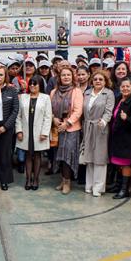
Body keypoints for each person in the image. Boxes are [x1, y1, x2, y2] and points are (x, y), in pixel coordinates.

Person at [80, 70, 115, 197]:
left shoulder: (108, 93)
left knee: (99, 157)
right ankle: (88, 185)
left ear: (105, 81)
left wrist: (104, 121)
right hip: (87, 126)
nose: (98, 81)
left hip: (101, 127)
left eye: (101, 79)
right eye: (95, 79)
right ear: (92, 81)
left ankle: (98, 187)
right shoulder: (87, 92)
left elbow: (109, 110)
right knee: (89, 156)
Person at [109, 77, 131, 199]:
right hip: (117, 138)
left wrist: (127, 118)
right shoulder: (119, 99)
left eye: (127, 86)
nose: (125, 88)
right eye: (123, 86)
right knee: (118, 164)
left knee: (126, 165)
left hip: (128, 140)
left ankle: (124, 189)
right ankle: (118, 185)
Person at [15, 75, 52, 191]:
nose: (32, 86)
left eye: (34, 84)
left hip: (39, 132)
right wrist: (19, 130)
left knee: (37, 155)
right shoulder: (23, 97)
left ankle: (35, 179)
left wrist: (45, 133)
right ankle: (28, 179)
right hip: (26, 130)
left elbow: (48, 116)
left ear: (40, 85)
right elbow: (18, 116)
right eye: (30, 83)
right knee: (27, 155)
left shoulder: (45, 98)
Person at [51, 67, 84, 195]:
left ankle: (67, 182)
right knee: (58, 156)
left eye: (68, 75)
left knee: (67, 156)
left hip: (71, 129)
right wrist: (54, 119)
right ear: (59, 77)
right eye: (63, 75)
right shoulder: (53, 92)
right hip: (57, 128)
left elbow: (78, 111)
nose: (66, 77)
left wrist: (67, 123)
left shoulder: (77, 91)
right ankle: (62, 180)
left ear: (72, 77)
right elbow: (50, 109)